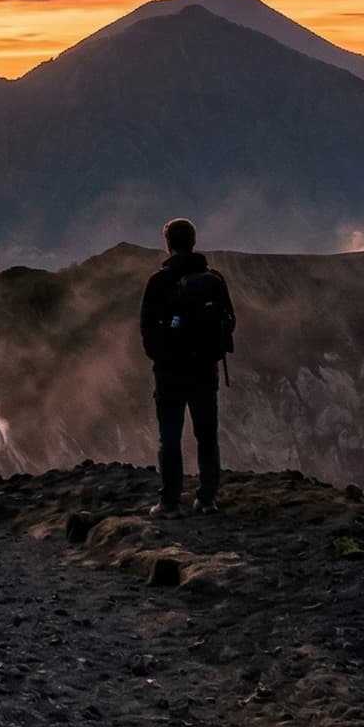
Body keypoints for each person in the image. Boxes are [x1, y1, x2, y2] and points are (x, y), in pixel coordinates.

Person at [138, 217, 236, 517]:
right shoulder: (213, 279)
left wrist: (161, 357)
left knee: (170, 436)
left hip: (170, 372)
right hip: (205, 370)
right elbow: (229, 320)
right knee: (207, 435)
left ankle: (169, 502)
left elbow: (147, 330)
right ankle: (208, 499)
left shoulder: (159, 281)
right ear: (193, 242)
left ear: (168, 244)